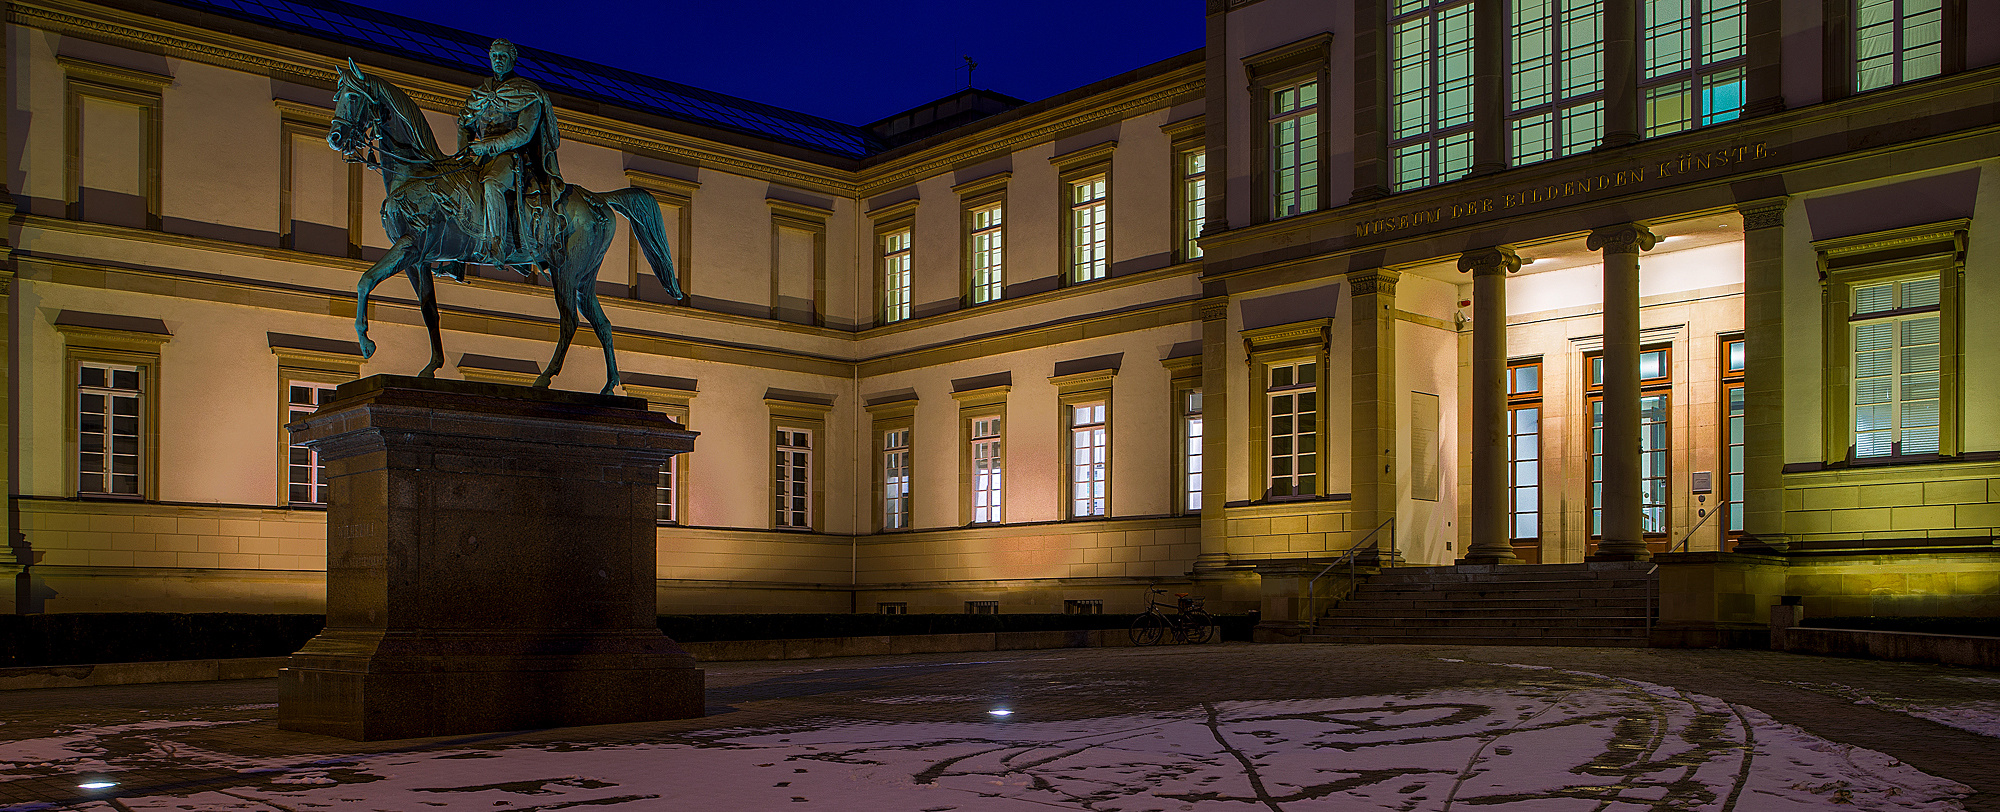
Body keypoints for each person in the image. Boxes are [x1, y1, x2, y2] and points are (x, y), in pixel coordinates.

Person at [456, 39, 562, 264]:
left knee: (492, 184)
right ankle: (456, 259)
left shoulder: (527, 93)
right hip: (481, 159)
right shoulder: (479, 94)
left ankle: (497, 246)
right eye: (494, 56)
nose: (498, 60)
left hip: (513, 158)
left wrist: (488, 146)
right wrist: (464, 154)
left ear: (513, 59)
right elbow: (465, 124)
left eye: (503, 56)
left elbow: (524, 133)